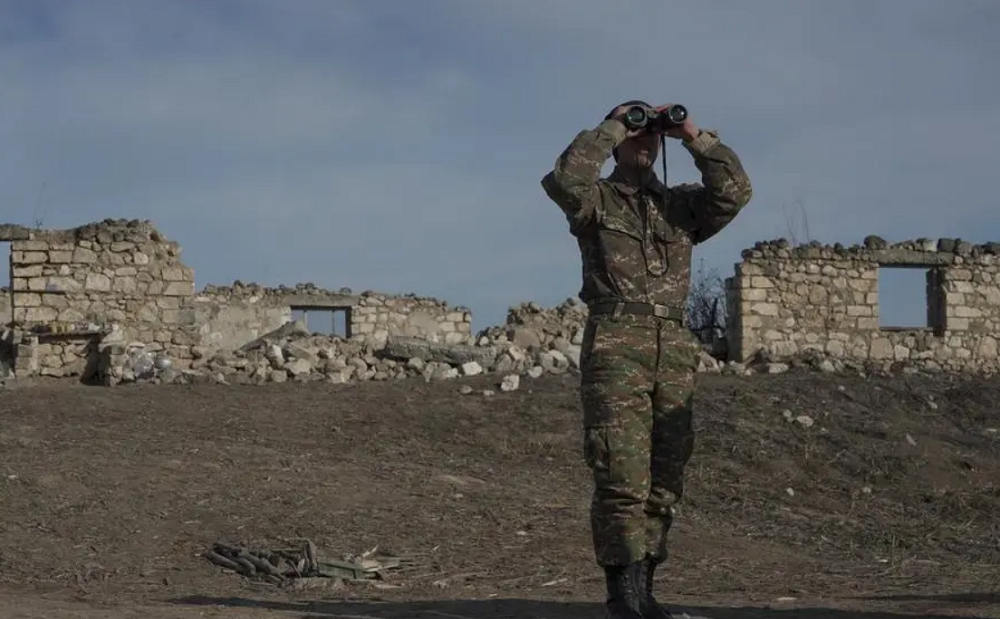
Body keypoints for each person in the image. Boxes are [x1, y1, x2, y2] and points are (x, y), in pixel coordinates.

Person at [540, 100, 752, 619]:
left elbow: (735, 192)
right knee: (621, 474)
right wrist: (615, 124)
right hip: (617, 342)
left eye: (648, 133)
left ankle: (646, 585)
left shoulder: (680, 207)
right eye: (636, 132)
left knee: (665, 480)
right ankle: (623, 595)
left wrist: (691, 135)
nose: (643, 140)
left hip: (674, 348)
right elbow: (565, 179)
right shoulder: (597, 200)